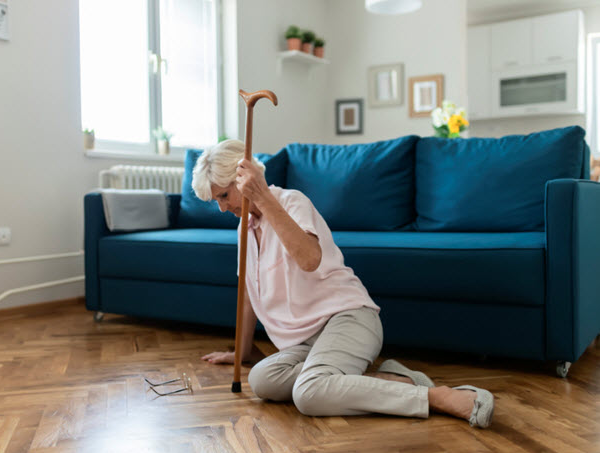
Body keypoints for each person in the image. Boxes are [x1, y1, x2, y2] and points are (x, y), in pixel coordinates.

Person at [194, 140, 494, 428]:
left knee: (308, 394)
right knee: (262, 380)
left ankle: (436, 397)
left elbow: (309, 259)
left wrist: (263, 198)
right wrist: (243, 352)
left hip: (348, 319)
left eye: (223, 196)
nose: (222, 208)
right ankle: (387, 379)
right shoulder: (244, 229)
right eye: (216, 201)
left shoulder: (291, 202)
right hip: (305, 342)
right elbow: (248, 294)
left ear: (243, 178)